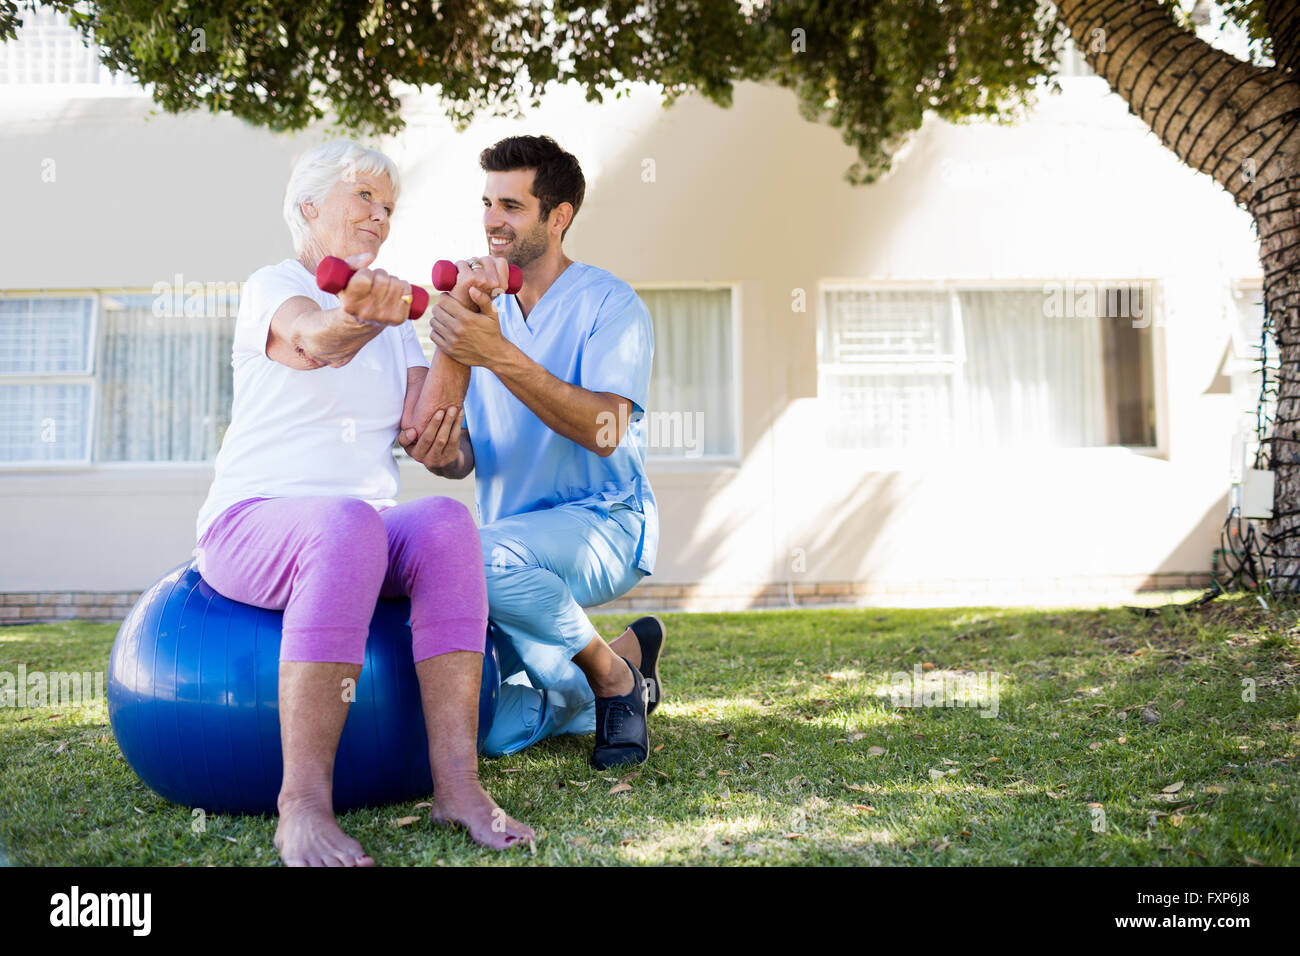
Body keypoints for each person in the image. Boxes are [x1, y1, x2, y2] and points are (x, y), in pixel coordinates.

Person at [194, 139, 533, 865]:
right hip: (254, 520)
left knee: (445, 520)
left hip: (360, 531)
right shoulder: (274, 284)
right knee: (348, 524)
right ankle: (303, 807)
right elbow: (315, 340)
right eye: (363, 197)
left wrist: (458, 328)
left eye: (388, 206)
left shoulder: (397, 318)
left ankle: (459, 787)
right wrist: (356, 318)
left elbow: (431, 441)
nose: (379, 215)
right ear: (310, 205)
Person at [401, 135, 665, 770]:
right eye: (488, 202)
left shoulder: (610, 303)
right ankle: (624, 657)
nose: (493, 220)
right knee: (486, 725)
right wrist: (443, 452)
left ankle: (613, 680)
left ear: (559, 216)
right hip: (508, 551)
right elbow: (462, 452)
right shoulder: (483, 308)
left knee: (469, 554)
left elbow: (606, 430)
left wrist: (497, 353)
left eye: (512, 205)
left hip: (605, 524)